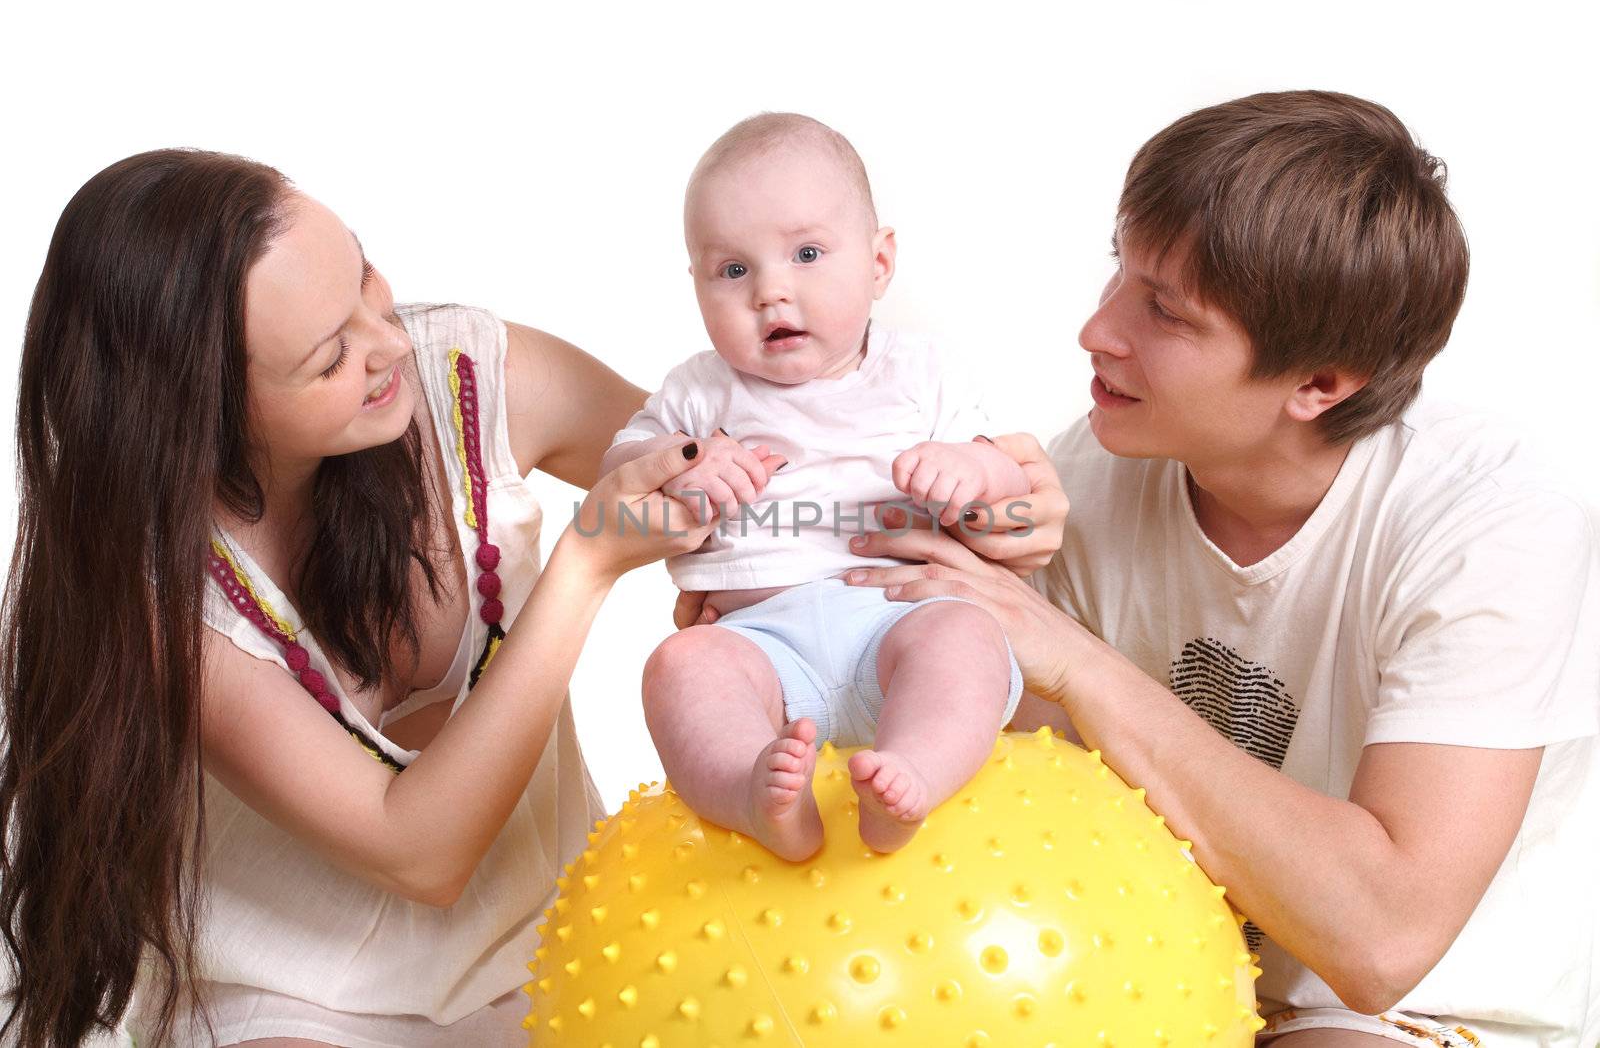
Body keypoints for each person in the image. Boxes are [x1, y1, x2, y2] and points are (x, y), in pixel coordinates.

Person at [0, 147, 1067, 1047]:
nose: (389, 347)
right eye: (331, 355)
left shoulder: (464, 370)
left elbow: (779, 472)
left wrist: (999, 499)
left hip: (561, 946)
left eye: (368, 284)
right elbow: (419, 849)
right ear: (202, 413)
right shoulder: (160, 597)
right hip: (295, 1000)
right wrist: (586, 566)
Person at [827, 90, 1600, 1046]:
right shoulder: (1088, 479)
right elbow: (995, 760)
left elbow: (1381, 936)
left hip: (1404, 1015)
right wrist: (784, 602)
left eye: (1165, 310)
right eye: (1121, 272)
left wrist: (1074, 657)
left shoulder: (1492, 526)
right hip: (1136, 968)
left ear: (1320, 383)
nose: (1097, 331)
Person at [600, 113, 1032, 858]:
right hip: (757, 642)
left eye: (806, 253)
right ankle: (753, 792)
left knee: (965, 638)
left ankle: (913, 776)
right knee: (680, 665)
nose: (771, 291)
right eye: (733, 270)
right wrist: (683, 460)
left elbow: (1005, 475)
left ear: (878, 262)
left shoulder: (921, 373)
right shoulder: (699, 391)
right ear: (696, 283)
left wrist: (972, 470)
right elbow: (620, 470)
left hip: (895, 618)